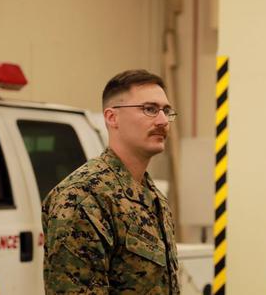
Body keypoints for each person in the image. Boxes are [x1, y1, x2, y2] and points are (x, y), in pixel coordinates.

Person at [42, 69, 180, 294]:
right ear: (112, 117)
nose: (163, 120)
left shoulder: (154, 198)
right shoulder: (84, 197)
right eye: (150, 109)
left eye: (166, 111)